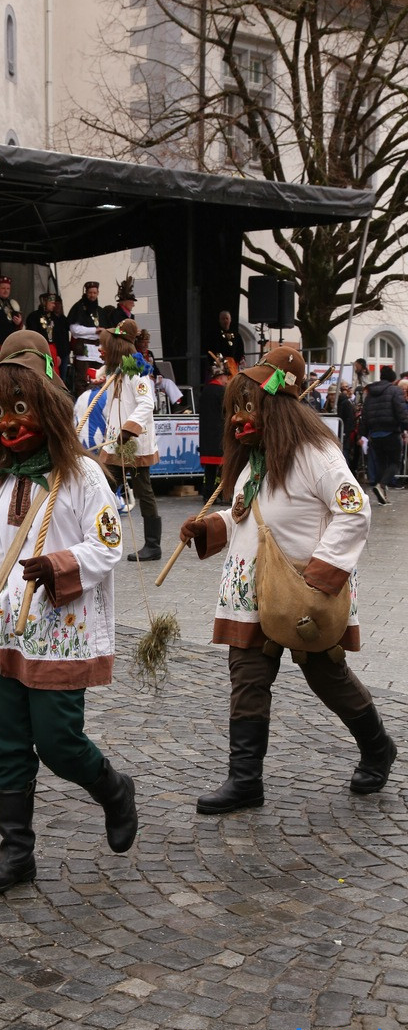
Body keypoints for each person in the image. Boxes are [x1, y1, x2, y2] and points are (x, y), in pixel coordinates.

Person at [0, 330, 138, 894]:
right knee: (10, 743)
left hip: (58, 632)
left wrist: (62, 565)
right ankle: (16, 853)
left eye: (20, 409)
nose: (8, 424)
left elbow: (109, 544)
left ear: (47, 409)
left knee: (59, 741)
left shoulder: (84, 476)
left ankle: (114, 789)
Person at [179, 348, 396, 814]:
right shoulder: (255, 460)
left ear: (275, 405)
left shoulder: (318, 455)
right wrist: (211, 527)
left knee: (327, 677)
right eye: (235, 408)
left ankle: (379, 748)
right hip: (250, 592)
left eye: (248, 406)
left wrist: (322, 575)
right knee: (248, 679)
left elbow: (354, 510)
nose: (239, 418)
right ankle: (245, 781)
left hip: (301, 591)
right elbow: (245, 518)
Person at [98, 318, 162, 561]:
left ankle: (153, 545)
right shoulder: (118, 370)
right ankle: (99, 535)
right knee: (103, 486)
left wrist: (129, 429)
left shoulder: (137, 371)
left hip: (133, 442)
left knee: (143, 490)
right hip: (115, 441)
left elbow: (147, 403)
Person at [361, 365, 408, 505]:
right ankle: (381, 486)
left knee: (381, 464)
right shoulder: (395, 391)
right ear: (393, 380)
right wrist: (405, 428)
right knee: (395, 462)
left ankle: (383, 495)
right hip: (391, 432)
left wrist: (362, 435)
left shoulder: (370, 393)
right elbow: (401, 412)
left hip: (375, 434)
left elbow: (365, 415)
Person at [199, 359, 229, 501]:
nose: (227, 380)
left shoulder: (205, 390)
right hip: (219, 434)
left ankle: (207, 494)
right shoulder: (222, 391)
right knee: (223, 468)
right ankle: (222, 494)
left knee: (209, 470)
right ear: (220, 377)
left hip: (206, 434)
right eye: (226, 377)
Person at [67, 281, 104, 396]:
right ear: (86, 293)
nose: (92, 295)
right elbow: (75, 330)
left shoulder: (100, 311)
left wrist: (97, 332)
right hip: (84, 350)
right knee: (82, 380)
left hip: (98, 350)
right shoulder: (78, 308)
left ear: (98, 293)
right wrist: (94, 331)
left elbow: (105, 330)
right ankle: (82, 406)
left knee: (99, 378)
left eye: (94, 293)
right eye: (90, 293)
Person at [26, 293, 65, 375]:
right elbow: (32, 335)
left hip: (52, 350)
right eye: (51, 303)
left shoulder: (54, 318)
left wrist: (59, 354)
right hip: (40, 349)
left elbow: (58, 337)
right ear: (44, 302)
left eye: (54, 303)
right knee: (43, 373)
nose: (53, 305)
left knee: (52, 374)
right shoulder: (34, 317)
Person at [209, 310, 245, 377]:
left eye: (227, 318)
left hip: (233, 364)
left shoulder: (236, 335)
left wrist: (240, 360)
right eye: (223, 319)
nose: (225, 321)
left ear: (230, 320)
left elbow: (240, 349)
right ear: (219, 320)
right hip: (220, 364)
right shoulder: (215, 334)